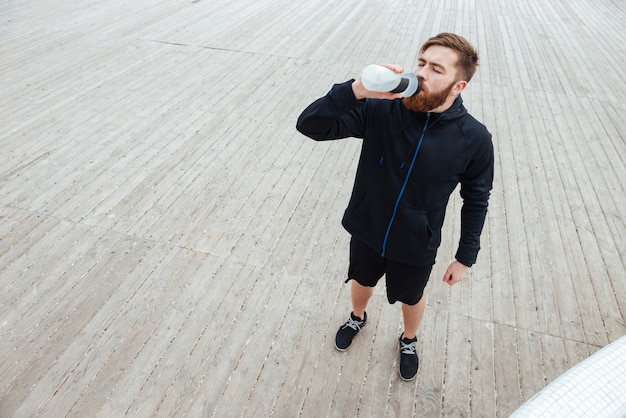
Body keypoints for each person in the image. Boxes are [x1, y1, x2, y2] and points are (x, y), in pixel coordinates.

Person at [296, 33, 494, 381]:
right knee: (361, 278)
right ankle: (357, 317)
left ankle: (408, 339)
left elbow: (476, 199)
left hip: (416, 243)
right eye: (421, 63)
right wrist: (356, 90)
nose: (422, 74)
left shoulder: (474, 139)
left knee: (412, 296)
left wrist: (465, 256)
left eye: (435, 69)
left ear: (458, 85)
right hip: (367, 225)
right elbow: (311, 126)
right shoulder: (382, 109)